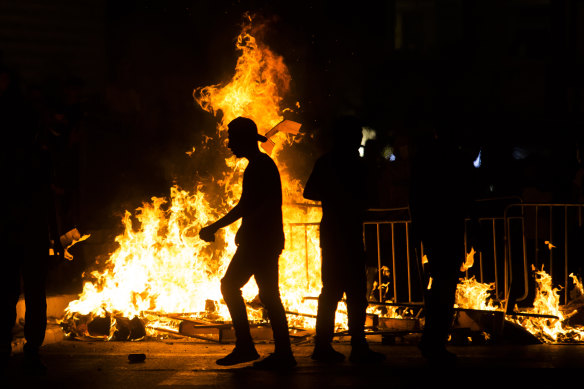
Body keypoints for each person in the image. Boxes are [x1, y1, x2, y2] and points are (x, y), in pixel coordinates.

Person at [199, 117, 295, 369]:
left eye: (232, 139)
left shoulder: (259, 166)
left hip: (259, 242)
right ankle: (283, 353)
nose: (229, 145)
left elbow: (253, 205)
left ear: (243, 140)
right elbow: (255, 205)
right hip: (266, 240)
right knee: (269, 296)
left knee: (230, 286)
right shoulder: (261, 164)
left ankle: (246, 346)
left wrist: (215, 227)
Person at [303, 115, 385, 364]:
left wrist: (332, 195)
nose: (360, 138)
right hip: (347, 234)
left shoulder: (326, 162)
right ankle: (356, 346)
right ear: (348, 137)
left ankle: (325, 345)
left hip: (332, 234)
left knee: (332, 291)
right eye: (357, 134)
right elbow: (370, 196)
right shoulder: (355, 165)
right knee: (354, 292)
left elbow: (310, 191)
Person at [1, 65, 63, 375]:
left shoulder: (29, 155)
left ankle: (16, 350)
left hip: (17, 232)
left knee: (10, 292)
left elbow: (48, 198)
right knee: (31, 293)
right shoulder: (38, 155)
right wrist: (56, 236)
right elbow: (49, 199)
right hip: (28, 232)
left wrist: (54, 235)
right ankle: (31, 350)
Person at [408, 126, 479, 364]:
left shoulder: (427, 160)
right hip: (446, 231)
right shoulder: (454, 161)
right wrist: (475, 226)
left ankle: (432, 340)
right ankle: (434, 342)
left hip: (435, 232)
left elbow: (415, 197)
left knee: (440, 287)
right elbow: (470, 199)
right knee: (444, 289)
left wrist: (417, 229)